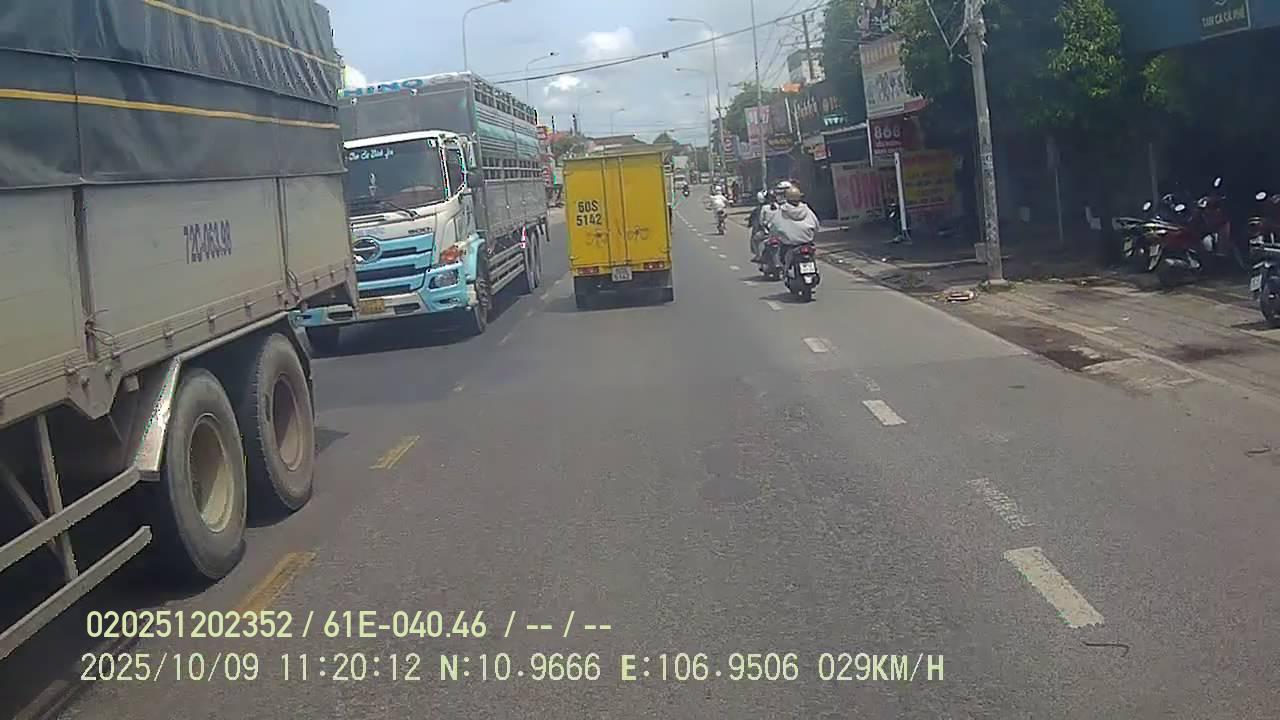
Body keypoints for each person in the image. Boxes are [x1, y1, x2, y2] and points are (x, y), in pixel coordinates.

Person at [766, 185, 819, 272]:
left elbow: (774, 226)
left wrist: (773, 234)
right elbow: (816, 225)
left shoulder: (782, 210)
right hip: (807, 243)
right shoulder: (806, 209)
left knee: (782, 260)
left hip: (790, 246)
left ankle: (786, 272)